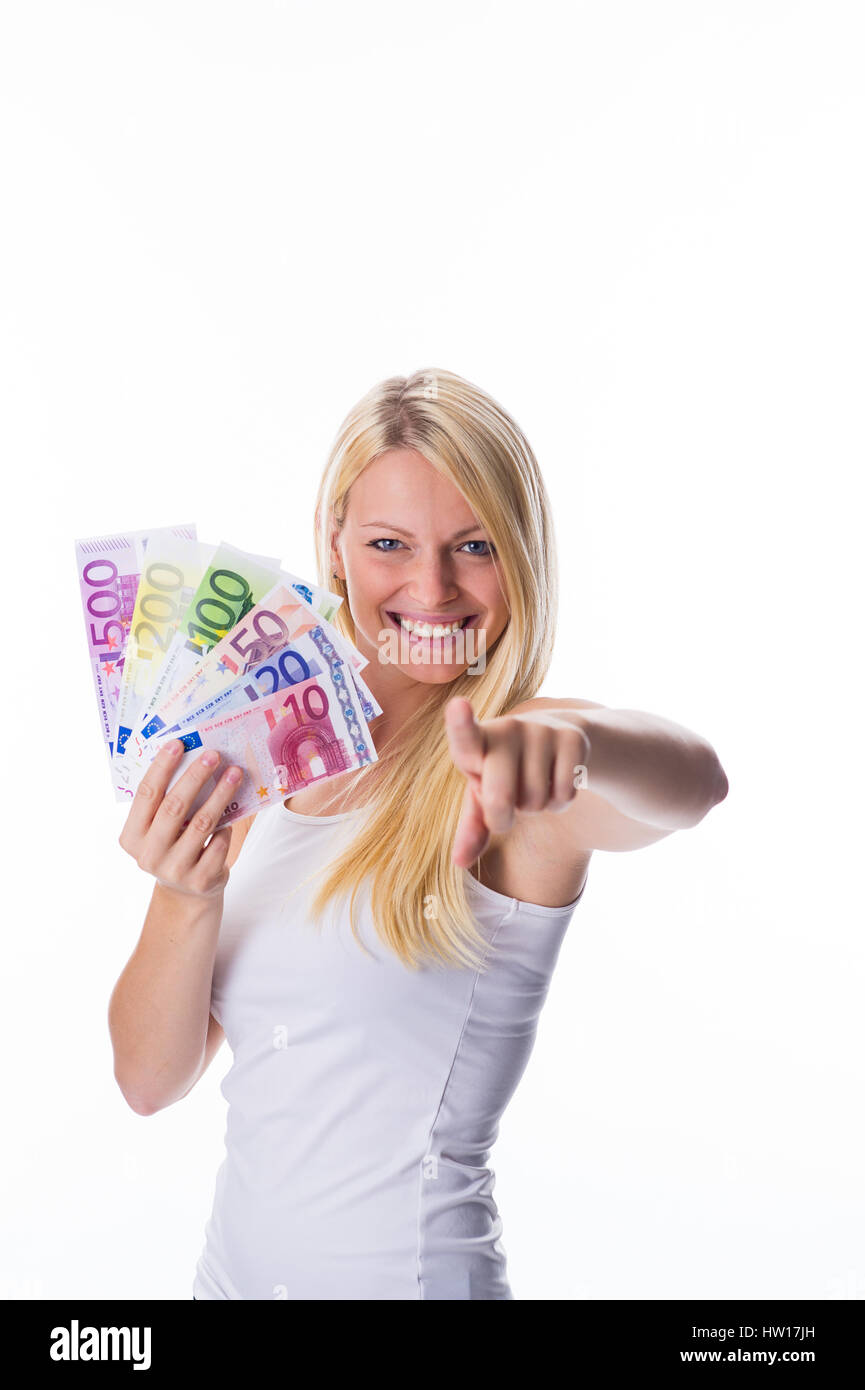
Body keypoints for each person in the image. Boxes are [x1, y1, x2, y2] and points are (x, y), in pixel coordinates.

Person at [108, 368, 728, 1300]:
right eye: (390, 543)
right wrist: (183, 892)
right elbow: (150, 1081)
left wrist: (575, 744)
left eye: (472, 546)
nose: (430, 588)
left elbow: (693, 784)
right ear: (337, 547)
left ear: (519, 557)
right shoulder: (269, 753)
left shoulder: (515, 770)